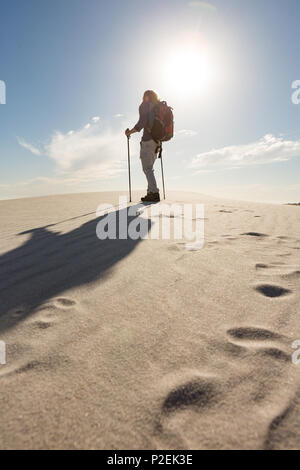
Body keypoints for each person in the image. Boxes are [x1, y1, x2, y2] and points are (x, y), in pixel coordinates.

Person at [125, 90, 160, 202]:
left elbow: (142, 122)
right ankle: (150, 192)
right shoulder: (157, 106)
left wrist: (129, 132)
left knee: (147, 169)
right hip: (157, 143)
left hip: (148, 141)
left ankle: (154, 193)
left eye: (143, 96)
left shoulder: (146, 105)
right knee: (149, 169)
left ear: (146, 97)